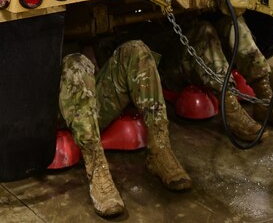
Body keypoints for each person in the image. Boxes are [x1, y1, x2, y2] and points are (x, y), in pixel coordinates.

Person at [59, 39, 192, 217]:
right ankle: (97, 169)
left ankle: (160, 150)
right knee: (76, 63)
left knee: (137, 50)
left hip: (91, 95)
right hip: (56, 103)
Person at [162, 14, 273, 140]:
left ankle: (265, 98)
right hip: (166, 61)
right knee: (204, 30)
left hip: (191, 40)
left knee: (232, 21)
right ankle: (231, 109)